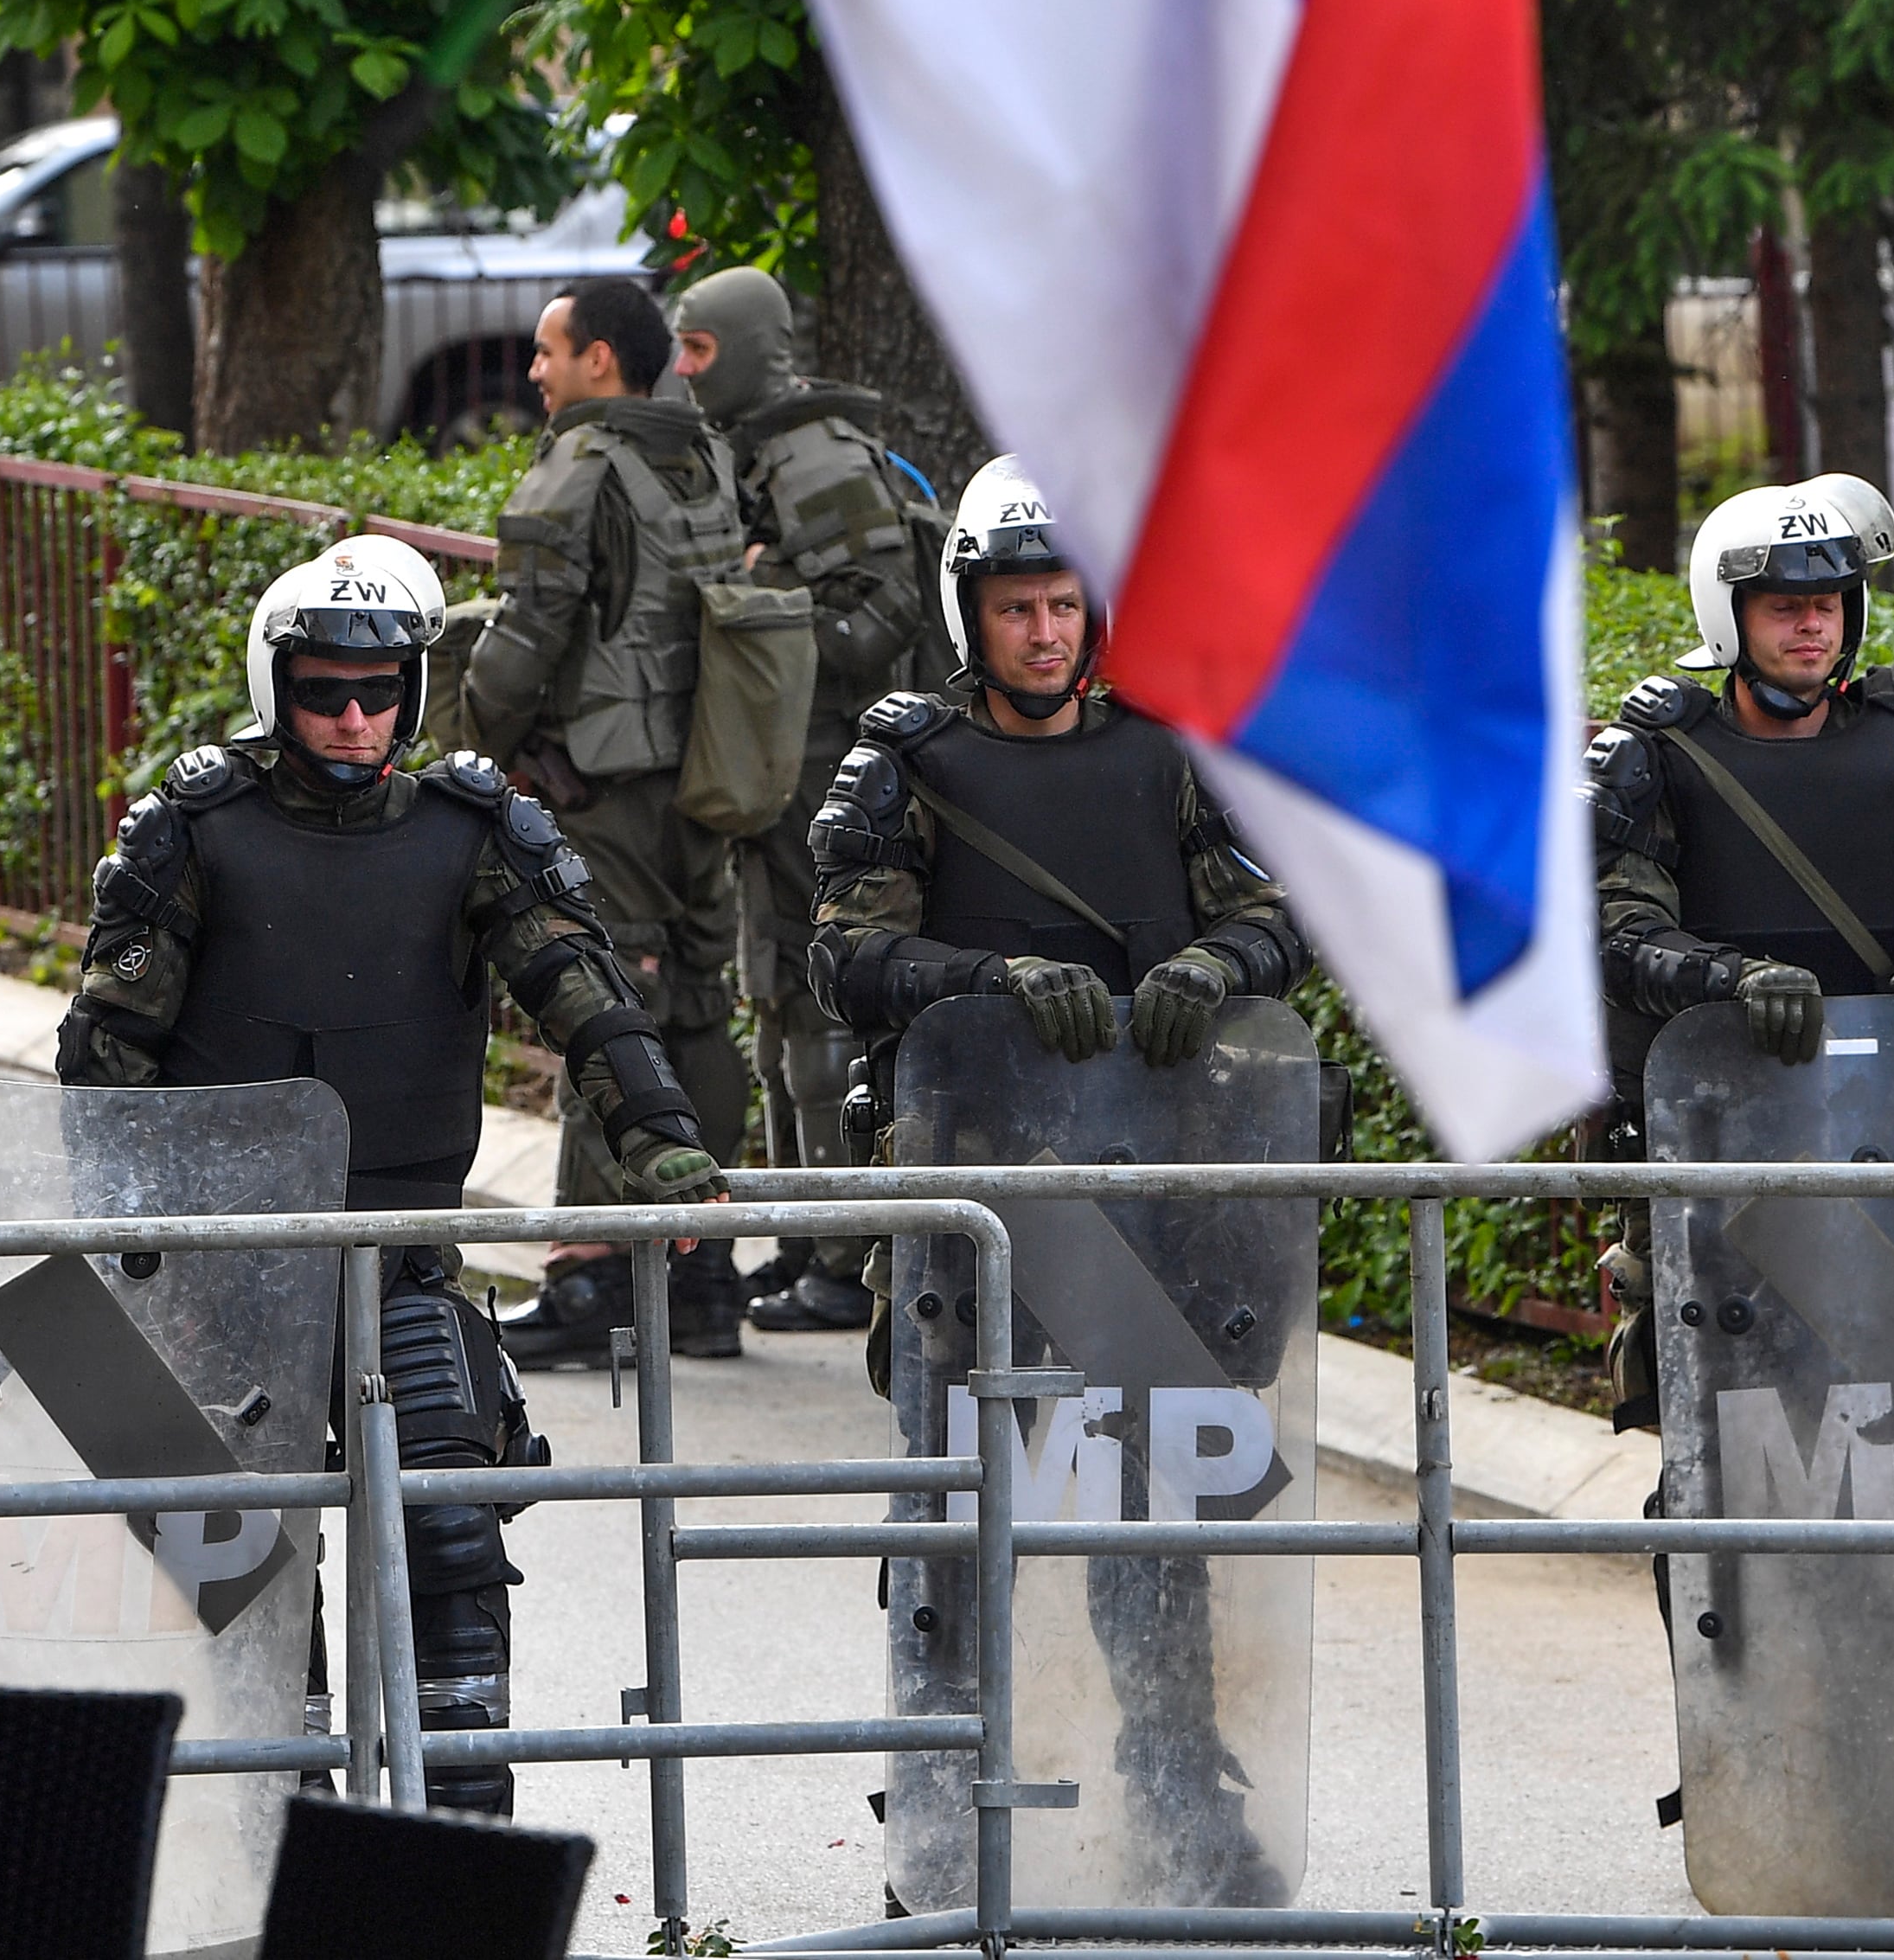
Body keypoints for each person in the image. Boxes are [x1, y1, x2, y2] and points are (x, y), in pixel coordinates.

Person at [56, 533, 724, 1818]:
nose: (356, 715)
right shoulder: (191, 829)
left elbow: (585, 991)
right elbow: (105, 1062)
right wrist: (131, 1247)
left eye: (381, 689)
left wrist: (663, 1139)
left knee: (454, 1535)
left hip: (405, 1254)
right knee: (239, 1566)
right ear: (276, 683)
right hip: (223, 1271)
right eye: (325, 689)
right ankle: (267, 1830)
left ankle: (461, 1848)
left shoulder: (473, 829)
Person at [812, 457, 1310, 1905]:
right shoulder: (905, 757)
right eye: (1018, 605)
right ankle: (940, 1809)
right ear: (969, 612)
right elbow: (843, 949)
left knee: (1155, 1510)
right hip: (974, 1212)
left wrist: (1220, 960)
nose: (1045, 630)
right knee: (959, 1515)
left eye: (1066, 602)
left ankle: (1178, 1790)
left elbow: (1282, 911)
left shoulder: (1173, 748)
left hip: (1158, 1194)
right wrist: (990, 981)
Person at [1577, 474, 1894, 1428]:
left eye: (1827, 606)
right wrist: (1733, 980)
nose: (1811, 628)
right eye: (1785, 607)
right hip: (1714, 1154)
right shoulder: (1657, 757)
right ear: (1729, 615)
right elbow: (1616, 936)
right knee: (1724, 1442)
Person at [465, 275, 758, 1368]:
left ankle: (591, 1277)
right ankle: (704, 1274)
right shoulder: (703, 454)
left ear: (601, 360)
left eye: (549, 351)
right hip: (707, 773)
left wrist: (472, 741)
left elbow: (528, 630)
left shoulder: (582, 460)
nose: (535, 371)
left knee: (604, 1005)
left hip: (606, 787)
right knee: (693, 1002)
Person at [667, 264, 938, 1334]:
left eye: (697, 351)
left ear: (740, 346)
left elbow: (882, 606)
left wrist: (761, 640)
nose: (685, 373)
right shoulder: (754, 448)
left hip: (822, 766)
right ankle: (803, 1234)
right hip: (778, 769)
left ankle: (842, 1254)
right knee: (780, 1002)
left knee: (820, 1008)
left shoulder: (811, 453)